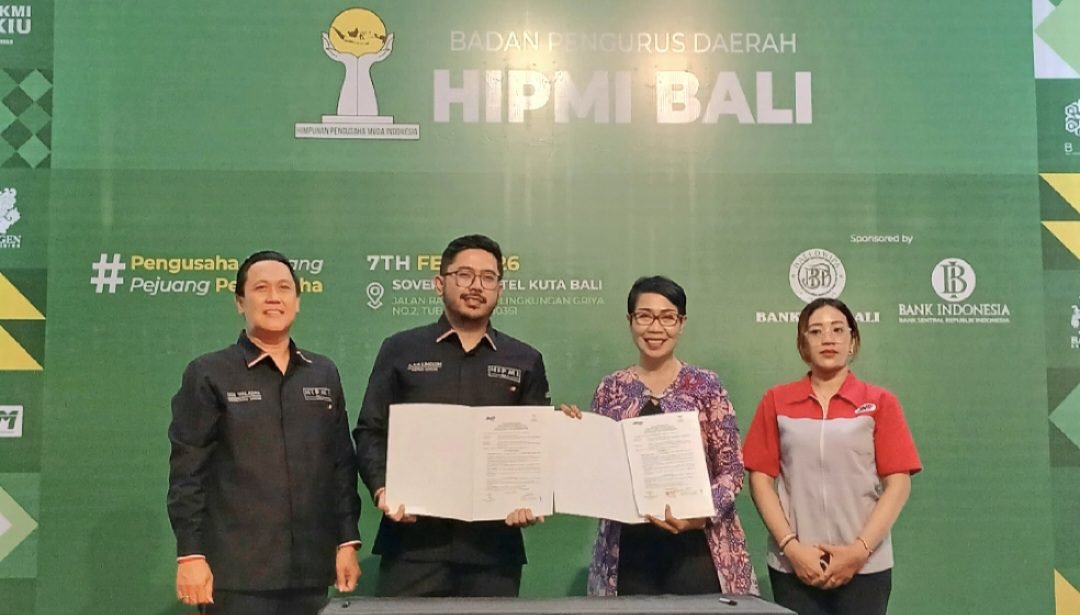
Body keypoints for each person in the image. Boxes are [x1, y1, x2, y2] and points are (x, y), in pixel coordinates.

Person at [353, 234, 550, 597]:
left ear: (500, 289)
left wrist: (532, 497)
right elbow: (371, 431)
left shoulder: (525, 360)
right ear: (439, 282)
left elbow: (535, 447)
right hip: (412, 545)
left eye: (488, 277)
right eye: (464, 275)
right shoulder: (400, 349)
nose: (476, 286)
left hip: (494, 550)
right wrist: (382, 488)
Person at [167, 251, 361, 615]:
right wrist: (190, 554)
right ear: (240, 302)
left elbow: (340, 465)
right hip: (237, 576)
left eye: (284, 288)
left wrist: (346, 541)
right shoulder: (209, 373)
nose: (274, 297)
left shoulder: (323, 373)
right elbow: (187, 473)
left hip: (311, 572)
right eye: (261, 288)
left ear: (297, 301)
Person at [561, 276, 758, 596]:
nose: (656, 328)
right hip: (627, 551)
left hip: (698, 546)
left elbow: (732, 471)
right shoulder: (611, 388)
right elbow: (598, 470)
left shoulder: (706, 386)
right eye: (644, 316)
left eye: (667, 317)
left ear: (681, 323)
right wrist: (575, 432)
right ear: (630, 321)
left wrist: (699, 514)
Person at [743, 297, 921, 615]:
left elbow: (898, 484)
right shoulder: (776, 401)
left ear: (852, 340)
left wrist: (859, 551)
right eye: (816, 331)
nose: (828, 338)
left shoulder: (880, 401)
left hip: (866, 565)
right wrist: (791, 547)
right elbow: (760, 480)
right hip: (794, 565)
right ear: (803, 343)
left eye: (838, 330)